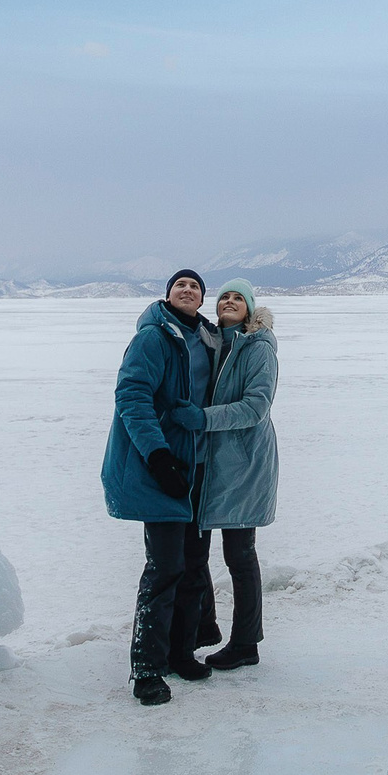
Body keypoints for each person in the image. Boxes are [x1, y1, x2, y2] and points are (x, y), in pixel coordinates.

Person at [102, 269, 222, 705]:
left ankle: (180, 652)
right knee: (165, 567)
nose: (187, 290)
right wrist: (158, 456)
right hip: (165, 468)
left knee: (194, 564)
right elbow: (132, 397)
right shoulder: (154, 337)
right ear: (168, 295)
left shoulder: (208, 339)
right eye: (179, 285)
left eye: (195, 286)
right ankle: (147, 669)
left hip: (199, 468)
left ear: (202, 299)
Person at [171, 278, 278, 671]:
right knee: (195, 550)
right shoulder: (214, 342)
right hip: (211, 463)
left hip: (244, 464)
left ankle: (246, 643)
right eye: (224, 297)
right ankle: (204, 627)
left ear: (249, 308)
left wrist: (202, 419)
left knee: (239, 555)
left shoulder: (258, 346)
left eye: (238, 298)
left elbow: (256, 407)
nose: (230, 302)